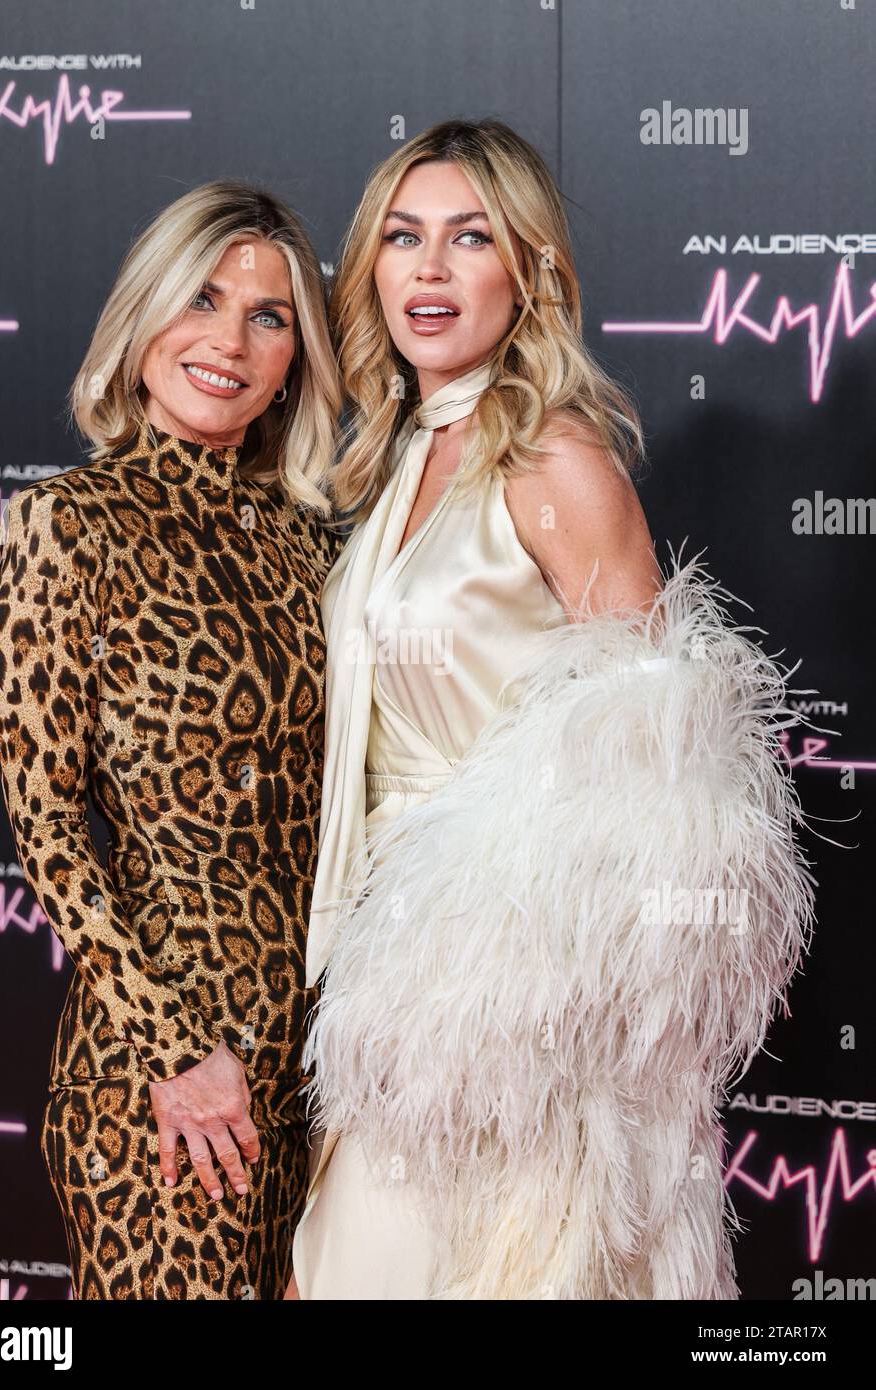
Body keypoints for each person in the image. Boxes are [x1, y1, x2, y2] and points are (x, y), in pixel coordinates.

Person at [288, 119, 814, 1300]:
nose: (428, 269)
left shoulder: (552, 458)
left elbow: (661, 785)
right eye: (403, 237)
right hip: (373, 996)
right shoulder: (392, 458)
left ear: (526, 270)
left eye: (468, 238)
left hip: (502, 1024)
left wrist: (490, 984)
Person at [0, 179, 342, 1299]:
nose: (229, 340)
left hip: (323, 1057)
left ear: (296, 359)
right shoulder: (68, 524)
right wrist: (177, 1050)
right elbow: (45, 823)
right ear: (142, 321)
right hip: (164, 1065)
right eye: (200, 299)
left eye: (269, 316)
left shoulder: (309, 540)